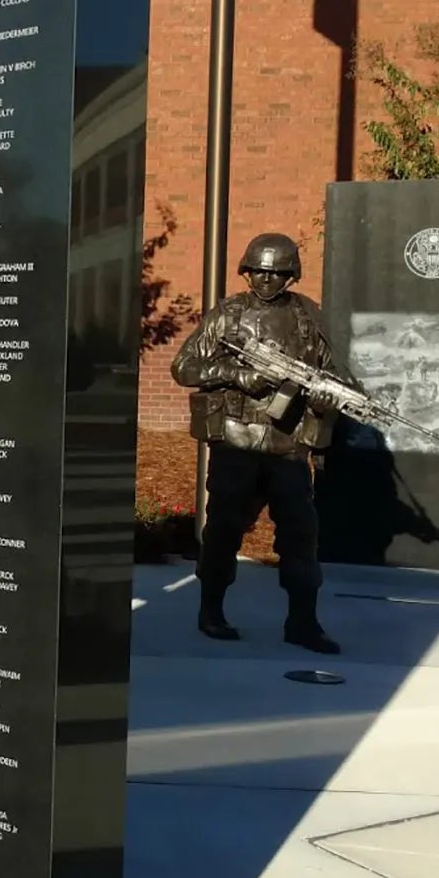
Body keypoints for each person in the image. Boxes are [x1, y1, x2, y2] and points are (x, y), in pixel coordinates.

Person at [171, 232, 344, 654]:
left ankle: (303, 622)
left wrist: (326, 399)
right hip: (236, 442)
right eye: (259, 272)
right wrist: (235, 375)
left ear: (291, 275)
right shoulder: (227, 315)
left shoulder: (308, 317)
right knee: (223, 531)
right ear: (247, 271)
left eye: (277, 273)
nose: (266, 280)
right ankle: (211, 612)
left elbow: (334, 374)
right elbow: (184, 366)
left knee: (301, 536)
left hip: (288, 446)